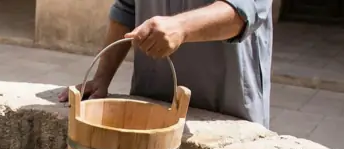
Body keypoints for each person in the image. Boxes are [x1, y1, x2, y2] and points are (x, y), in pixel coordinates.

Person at [57, 0, 272, 127]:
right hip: (154, 101)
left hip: (225, 108)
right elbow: (127, 9)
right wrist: (102, 77)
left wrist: (182, 26)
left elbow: (244, 12)